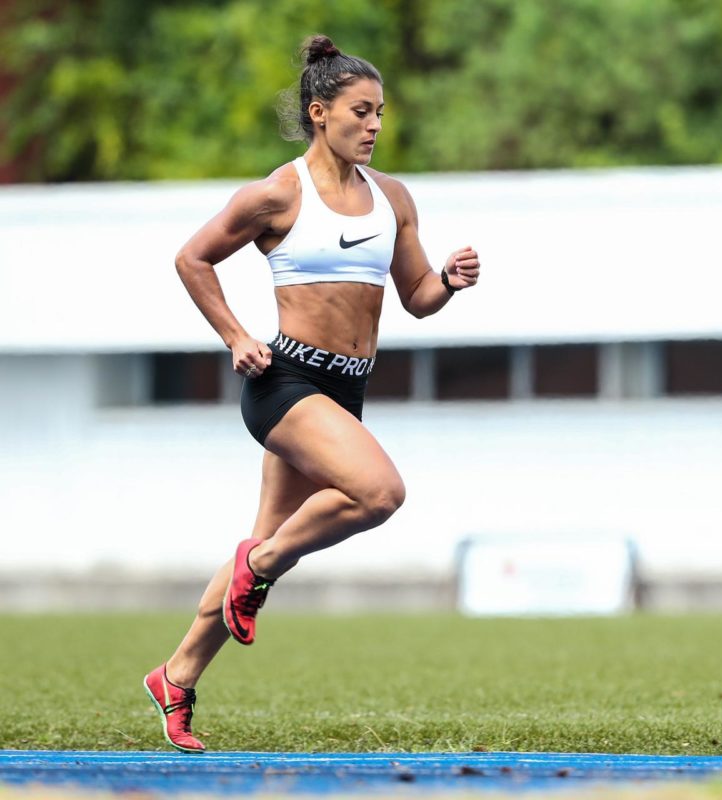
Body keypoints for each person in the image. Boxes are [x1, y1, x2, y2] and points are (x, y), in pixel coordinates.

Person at [143, 34, 481, 753]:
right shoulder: (278, 193)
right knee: (379, 493)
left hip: (345, 390)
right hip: (286, 383)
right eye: (362, 112)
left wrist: (447, 281)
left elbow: (416, 298)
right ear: (319, 112)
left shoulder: (393, 198)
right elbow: (191, 258)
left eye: (381, 113)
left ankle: (176, 677)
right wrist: (236, 335)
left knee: (268, 540)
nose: (376, 125)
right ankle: (256, 570)